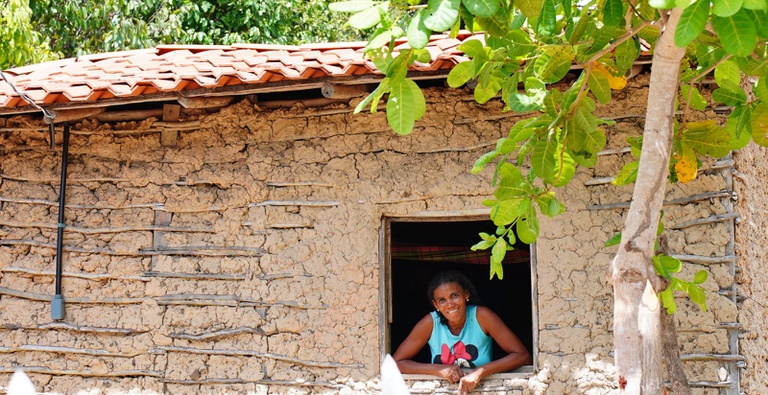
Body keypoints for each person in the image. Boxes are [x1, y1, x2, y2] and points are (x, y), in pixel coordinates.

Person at [392, 270, 531, 395]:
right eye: (442, 300)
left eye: (454, 295)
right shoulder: (430, 323)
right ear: (436, 305)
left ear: (466, 294)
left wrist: (480, 372)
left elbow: (523, 356)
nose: (450, 304)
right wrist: (438, 370)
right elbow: (396, 363)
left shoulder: (481, 316)